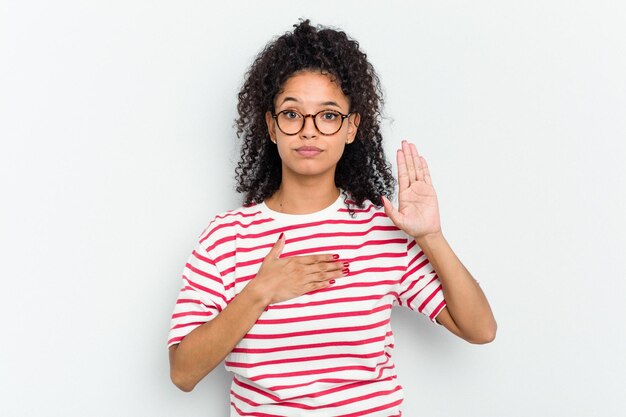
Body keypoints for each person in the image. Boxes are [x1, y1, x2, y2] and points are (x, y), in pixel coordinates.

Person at [167, 19, 496, 416]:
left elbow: (480, 330)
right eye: (292, 114)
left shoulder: (380, 231)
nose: (309, 132)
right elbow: (183, 373)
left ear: (351, 127)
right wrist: (260, 291)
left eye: (328, 115)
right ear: (271, 127)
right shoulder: (226, 239)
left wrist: (431, 236)